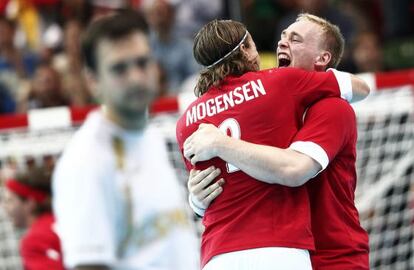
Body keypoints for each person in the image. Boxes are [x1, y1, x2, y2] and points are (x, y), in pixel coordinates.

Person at [176, 19, 369, 270]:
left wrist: (220, 144)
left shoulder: (332, 108)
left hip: (333, 258)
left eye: (295, 39)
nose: (281, 42)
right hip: (283, 248)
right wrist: (197, 198)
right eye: (282, 35)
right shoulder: (272, 91)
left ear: (322, 58)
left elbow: (294, 169)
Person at [52, 11, 199, 270]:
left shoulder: (150, 137)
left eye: (142, 63)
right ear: (93, 81)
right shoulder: (86, 161)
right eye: (119, 68)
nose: (135, 77)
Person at [3, 166, 64, 270]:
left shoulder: (35, 240)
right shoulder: (64, 221)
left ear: (30, 203)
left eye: (10, 201)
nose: (5, 207)